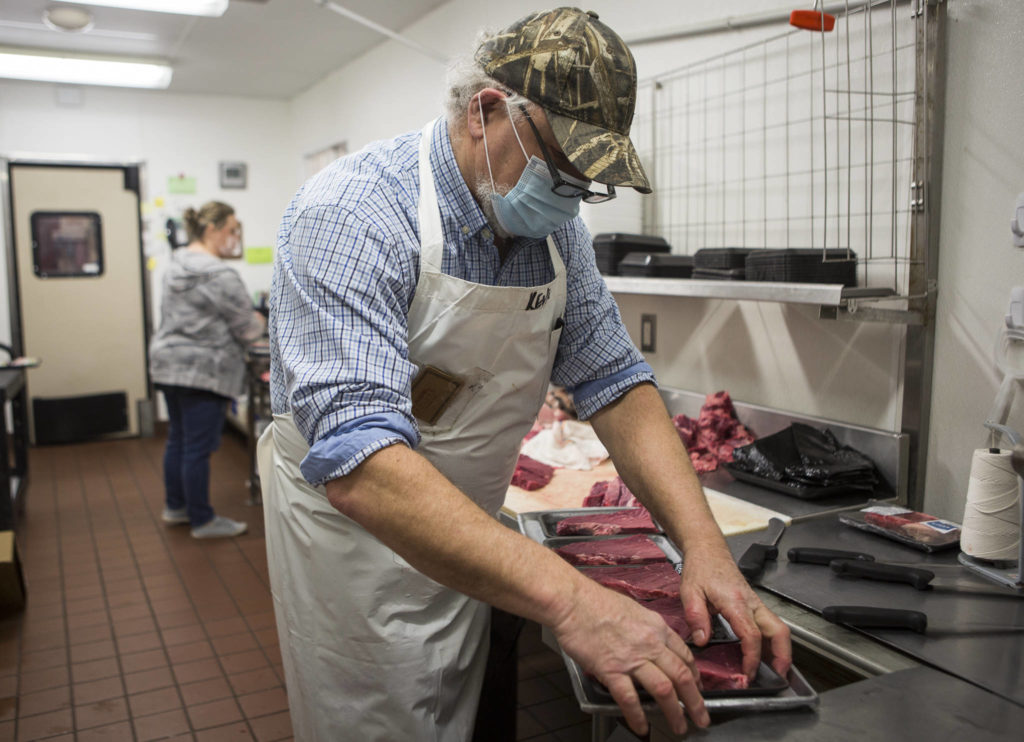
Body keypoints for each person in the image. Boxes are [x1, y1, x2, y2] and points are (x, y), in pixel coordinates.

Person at [260, 7, 791, 741]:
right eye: (560, 166)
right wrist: (576, 604)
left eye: (586, 180)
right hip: (355, 542)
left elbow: (614, 381)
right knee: (377, 720)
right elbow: (361, 465)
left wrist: (703, 548)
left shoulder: (555, 233)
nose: (571, 194)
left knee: (474, 707)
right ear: (486, 112)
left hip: (474, 535)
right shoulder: (353, 213)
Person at [150, 201, 265, 539]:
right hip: (204, 369)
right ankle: (202, 521)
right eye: (231, 229)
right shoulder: (221, 274)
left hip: (168, 363)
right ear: (212, 230)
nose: (234, 237)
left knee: (179, 440)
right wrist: (259, 319)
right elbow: (247, 330)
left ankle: (177, 507)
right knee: (198, 447)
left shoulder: (176, 264)